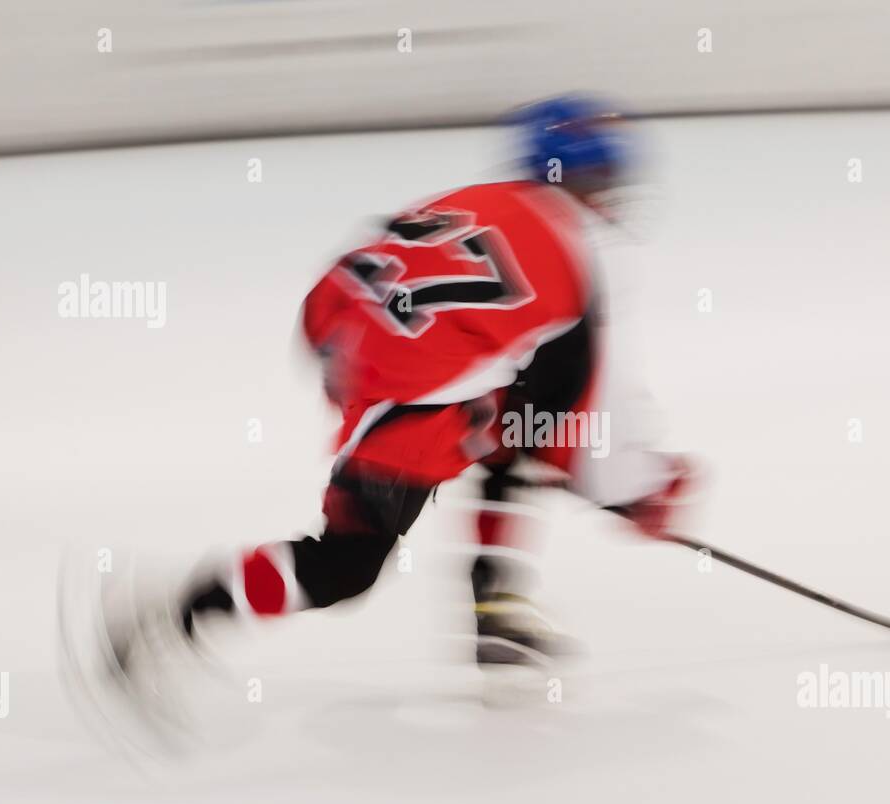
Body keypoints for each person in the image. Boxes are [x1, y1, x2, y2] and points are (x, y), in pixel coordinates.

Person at [82, 94, 693, 704]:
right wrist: (640, 491)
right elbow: (599, 404)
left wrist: (359, 372)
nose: (605, 193)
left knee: (524, 425)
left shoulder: (471, 201)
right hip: (415, 403)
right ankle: (173, 610)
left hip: (388, 372)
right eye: (599, 177)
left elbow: (337, 291)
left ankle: (497, 601)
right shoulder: (590, 255)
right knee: (343, 567)